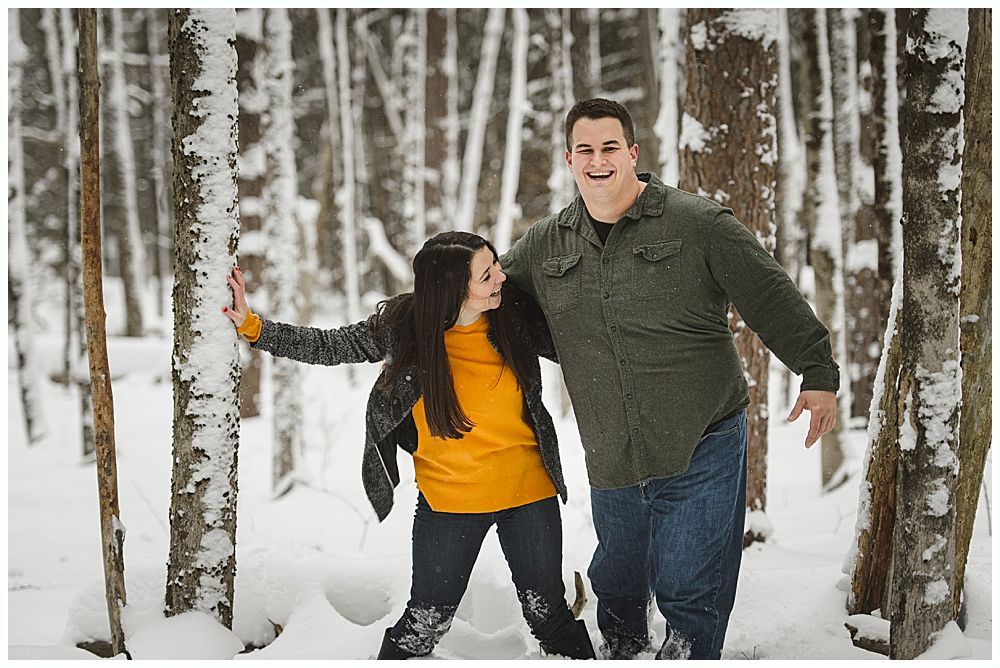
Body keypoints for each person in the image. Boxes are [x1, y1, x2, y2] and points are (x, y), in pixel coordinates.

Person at [500, 98, 839, 660]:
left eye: (610, 147)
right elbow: (486, 296)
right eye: (586, 149)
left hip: (702, 435)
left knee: (690, 585)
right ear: (569, 158)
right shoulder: (545, 244)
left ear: (633, 152)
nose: (599, 160)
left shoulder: (697, 223)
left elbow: (768, 294)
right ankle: (624, 651)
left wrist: (817, 371)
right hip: (610, 445)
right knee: (618, 583)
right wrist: (417, 319)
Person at [222, 231, 595, 660]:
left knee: (549, 617)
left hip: (529, 493)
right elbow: (330, 345)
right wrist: (253, 327)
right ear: (453, 290)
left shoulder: (513, 315)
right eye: (487, 274)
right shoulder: (404, 327)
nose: (501, 278)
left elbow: (584, 345)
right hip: (449, 501)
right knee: (424, 623)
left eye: (496, 266)